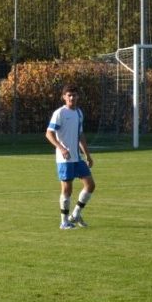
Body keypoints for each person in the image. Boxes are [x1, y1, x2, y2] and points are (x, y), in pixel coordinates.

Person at [45, 83, 96, 230]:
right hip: (64, 159)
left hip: (77, 158)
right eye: (69, 95)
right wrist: (61, 148)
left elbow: (80, 135)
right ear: (64, 97)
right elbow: (49, 133)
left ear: (78, 97)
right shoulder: (60, 113)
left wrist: (87, 155)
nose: (72, 97)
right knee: (67, 190)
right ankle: (64, 222)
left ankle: (76, 214)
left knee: (90, 185)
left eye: (74, 95)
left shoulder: (79, 113)